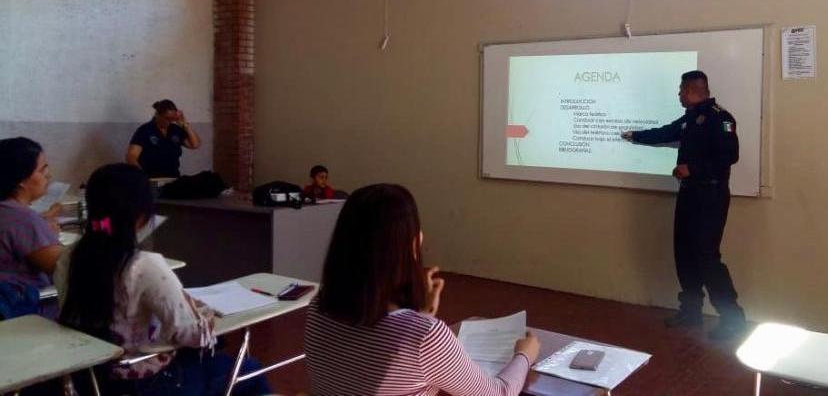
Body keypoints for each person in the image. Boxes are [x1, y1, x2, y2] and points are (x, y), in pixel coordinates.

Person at [304, 183, 540, 395]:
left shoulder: (318, 307)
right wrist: (524, 355)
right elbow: (497, 393)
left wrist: (422, 315)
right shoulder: (425, 337)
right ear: (415, 243)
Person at [56, 164, 269, 395]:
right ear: (141, 215)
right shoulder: (145, 265)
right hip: (151, 383)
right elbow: (194, 335)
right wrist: (202, 312)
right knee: (251, 370)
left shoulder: (69, 257)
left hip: (90, 380)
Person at [621, 70, 746, 340]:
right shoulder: (690, 117)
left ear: (692, 89)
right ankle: (690, 312)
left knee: (707, 257)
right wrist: (634, 136)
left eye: (681, 90)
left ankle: (733, 318)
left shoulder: (720, 117)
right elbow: (666, 132)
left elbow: (730, 155)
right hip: (689, 195)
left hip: (710, 196)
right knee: (684, 254)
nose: (678, 94)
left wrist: (694, 169)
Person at [0, 137, 62, 289]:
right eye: (42, 170)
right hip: (27, 307)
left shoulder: (9, 211)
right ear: (21, 178)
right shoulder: (23, 219)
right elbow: (63, 267)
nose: (48, 176)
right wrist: (49, 235)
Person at [126, 99, 202, 178]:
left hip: (173, 178)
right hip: (151, 179)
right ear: (157, 115)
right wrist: (141, 176)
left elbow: (195, 144)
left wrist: (185, 124)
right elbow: (131, 156)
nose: (169, 121)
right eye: (167, 118)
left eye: (172, 119)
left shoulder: (175, 129)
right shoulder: (145, 130)